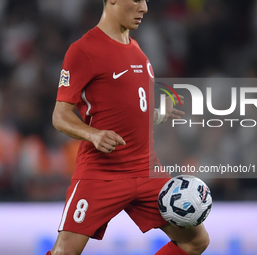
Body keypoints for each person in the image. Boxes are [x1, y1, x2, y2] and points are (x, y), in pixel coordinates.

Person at [47, 0, 210, 254]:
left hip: (146, 169)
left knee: (196, 241)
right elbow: (60, 115)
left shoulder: (137, 50)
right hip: (102, 171)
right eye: (136, 0)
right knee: (65, 251)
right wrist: (93, 134)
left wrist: (156, 115)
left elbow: (126, 107)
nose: (144, 7)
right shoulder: (83, 50)